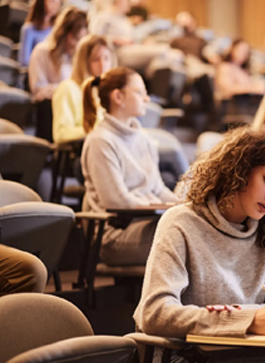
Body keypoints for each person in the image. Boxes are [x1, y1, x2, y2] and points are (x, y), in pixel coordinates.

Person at [134, 128, 265, 362]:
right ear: (241, 172)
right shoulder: (180, 223)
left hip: (250, 354)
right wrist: (251, 320)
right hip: (190, 356)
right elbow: (154, 312)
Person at [81, 66, 179, 266]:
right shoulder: (101, 141)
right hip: (116, 234)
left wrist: (183, 205)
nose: (147, 99)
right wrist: (166, 208)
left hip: (146, 224)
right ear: (118, 96)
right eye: (139, 92)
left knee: (194, 222)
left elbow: (158, 189)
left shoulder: (144, 139)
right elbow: (116, 200)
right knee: (184, 232)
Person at [52, 34, 114, 144]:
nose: (103, 65)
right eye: (96, 59)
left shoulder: (109, 92)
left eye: (106, 58)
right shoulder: (68, 88)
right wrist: (100, 131)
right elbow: (61, 133)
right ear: (84, 62)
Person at [90, 0, 179, 73]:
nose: (130, 4)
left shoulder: (124, 19)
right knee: (165, 50)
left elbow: (132, 37)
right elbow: (94, 37)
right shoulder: (103, 16)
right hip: (119, 52)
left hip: (132, 48)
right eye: (127, 1)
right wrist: (115, 40)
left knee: (170, 59)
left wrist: (143, 41)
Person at [28, 6, 87, 101]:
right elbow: (38, 89)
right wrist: (65, 90)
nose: (76, 45)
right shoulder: (42, 51)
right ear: (63, 33)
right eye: (75, 38)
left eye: (80, 41)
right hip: (47, 105)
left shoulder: (77, 57)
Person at [18, 0, 61, 67]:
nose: (56, 6)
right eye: (53, 1)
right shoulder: (29, 29)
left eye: (59, 3)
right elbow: (25, 61)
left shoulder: (57, 30)